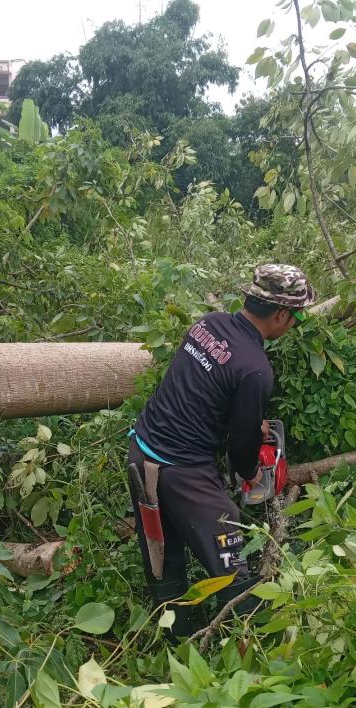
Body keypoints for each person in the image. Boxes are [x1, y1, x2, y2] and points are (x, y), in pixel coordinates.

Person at [127, 263, 315, 639]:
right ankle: (257, 647)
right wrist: (251, 474)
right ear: (281, 314)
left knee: (163, 559)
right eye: (296, 317)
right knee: (235, 565)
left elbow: (202, 390)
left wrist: (249, 422)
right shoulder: (255, 369)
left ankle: (178, 642)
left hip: (141, 453)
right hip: (184, 473)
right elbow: (242, 449)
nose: (293, 325)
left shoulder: (208, 325)